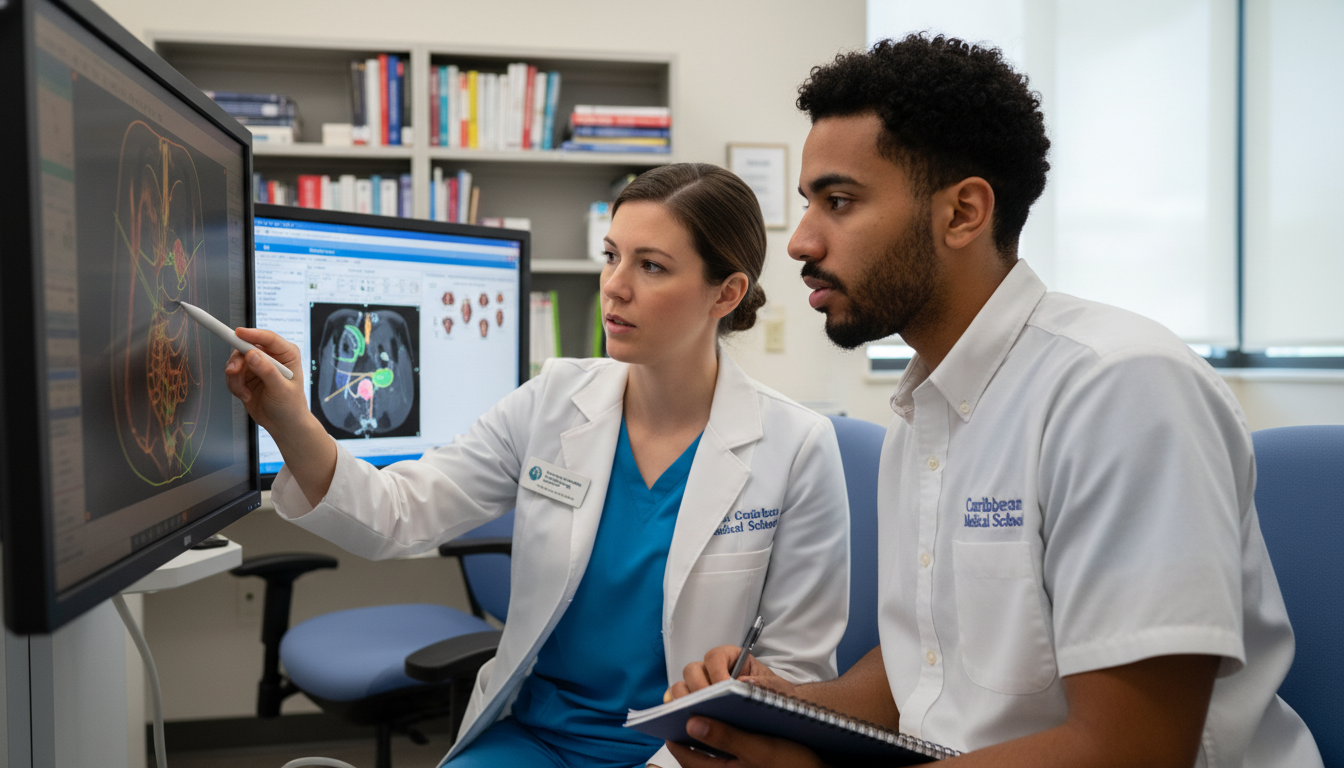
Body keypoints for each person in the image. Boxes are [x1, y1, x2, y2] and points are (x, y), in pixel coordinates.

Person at [665, 35, 1323, 768]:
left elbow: (1132, 749)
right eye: (807, 203)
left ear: (963, 213)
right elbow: (934, 665)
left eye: (839, 202)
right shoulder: (926, 409)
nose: (801, 242)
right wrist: (768, 705)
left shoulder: (1120, 388)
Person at [225, 163, 851, 768]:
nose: (616, 285)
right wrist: (292, 423)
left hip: (687, 754)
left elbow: (795, 672)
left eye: (651, 266)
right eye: (612, 256)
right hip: (534, 739)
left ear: (727, 293)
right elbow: (397, 514)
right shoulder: (552, 400)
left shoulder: (795, 446)